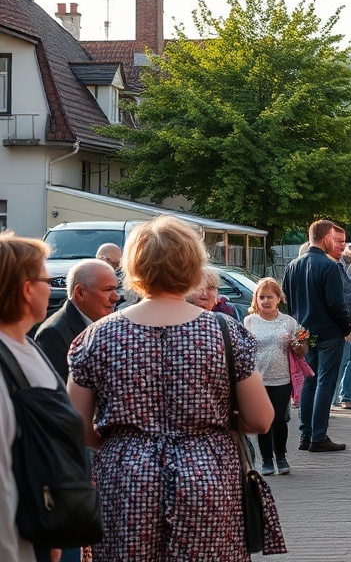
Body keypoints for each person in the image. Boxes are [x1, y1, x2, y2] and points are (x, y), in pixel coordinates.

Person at [67, 215, 284, 559]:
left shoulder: (97, 336)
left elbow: (78, 427)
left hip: (125, 481)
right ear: (193, 266)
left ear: (134, 267)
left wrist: (125, 443)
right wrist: (212, 429)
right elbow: (261, 419)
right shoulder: (224, 333)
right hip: (208, 478)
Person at [0, 232, 68, 562]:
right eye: (48, 280)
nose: (52, 289)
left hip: (37, 528)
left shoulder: (26, 346)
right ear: (27, 290)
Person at [281, 219, 350, 452]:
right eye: (333, 237)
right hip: (329, 332)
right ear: (326, 238)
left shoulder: (293, 266)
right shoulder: (329, 266)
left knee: (309, 382)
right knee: (325, 382)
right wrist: (346, 328)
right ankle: (319, 436)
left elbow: (287, 301)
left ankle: (305, 434)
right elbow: (336, 304)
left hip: (304, 331)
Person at [243, 277, 304, 477]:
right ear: (256, 299)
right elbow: (243, 349)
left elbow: (302, 349)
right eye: (262, 297)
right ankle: (266, 459)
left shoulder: (288, 322)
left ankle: (281, 455)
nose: (266, 301)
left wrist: (297, 345)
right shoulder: (250, 321)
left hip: (281, 378)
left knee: (278, 418)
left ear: (279, 299)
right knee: (263, 421)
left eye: (270, 297)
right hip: (258, 380)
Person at [35, 259, 119, 382]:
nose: (116, 297)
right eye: (107, 289)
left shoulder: (108, 324)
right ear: (80, 293)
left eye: (116, 289)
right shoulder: (54, 334)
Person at [326, 227, 351, 412]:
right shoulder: (332, 266)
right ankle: (330, 401)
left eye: (343, 241)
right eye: (337, 241)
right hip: (336, 328)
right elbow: (342, 299)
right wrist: (347, 327)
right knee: (339, 364)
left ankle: (330, 402)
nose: (341, 245)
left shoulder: (339, 264)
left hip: (340, 326)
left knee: (343, 362)